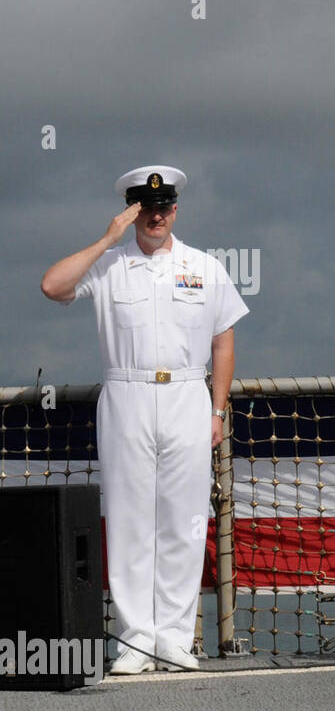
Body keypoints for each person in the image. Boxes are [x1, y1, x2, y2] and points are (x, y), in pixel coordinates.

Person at [40, 165, 249, 674]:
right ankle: (135, 641)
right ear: (133, 212)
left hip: (186, 395)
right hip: (127, 393)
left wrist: (217, 409)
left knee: (183, 519)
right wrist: (108, 237)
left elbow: (224, 339)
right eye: (146, 209)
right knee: (131, 520)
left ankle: (175, 638)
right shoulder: (108, 264)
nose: (157, 216)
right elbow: (52, 285)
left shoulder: (204, 266)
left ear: (176, 209)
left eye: (164, 207)